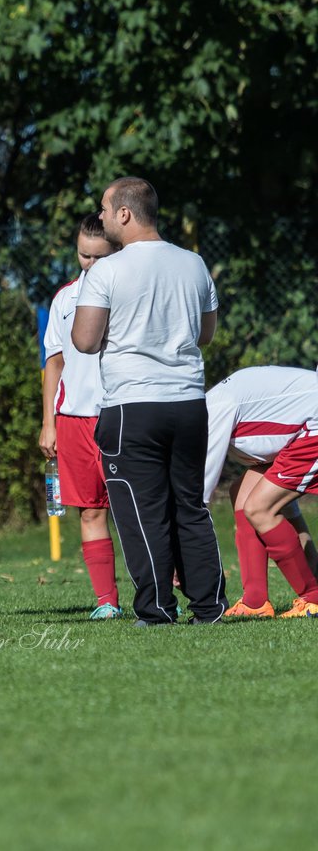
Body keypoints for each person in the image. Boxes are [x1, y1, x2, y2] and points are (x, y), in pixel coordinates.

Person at [71, 176, 228, 625]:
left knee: (143, 511)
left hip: (132, 407)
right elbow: (205, 335)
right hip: (188, 402)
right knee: (190, 505)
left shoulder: (106, 270)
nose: (100, 216)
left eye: (103, 208)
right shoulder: (194, 264)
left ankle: (157, 610)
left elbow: (83, 340)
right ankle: (210, 606)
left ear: (124, 213)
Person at [39, 213, 121, 619]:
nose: (88, 264)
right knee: (90, 510)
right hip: (73, 419)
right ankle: (107, 601)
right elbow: (53, 362)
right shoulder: (65, 299)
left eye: (98, 257)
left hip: (119, 415)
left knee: (140, 508)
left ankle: (166, 590)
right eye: (82, 255)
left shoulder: (127, 295)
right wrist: (48, 421)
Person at [203, 365, 318, 618]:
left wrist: (179, 558)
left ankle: (313, 598)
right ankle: (255, 603)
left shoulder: (210, 415)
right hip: (302, 428)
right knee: (243, 497)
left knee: (259, 508)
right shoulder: (207, 407)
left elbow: (199, 497)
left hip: (314, 425)